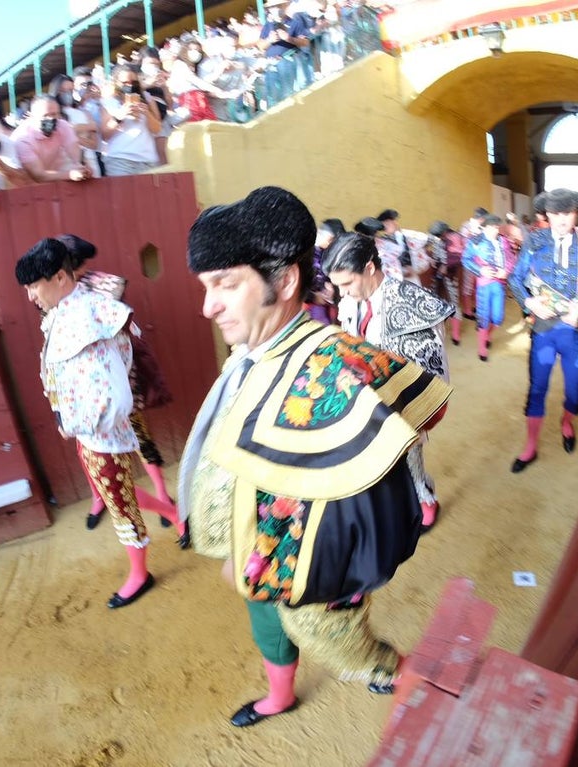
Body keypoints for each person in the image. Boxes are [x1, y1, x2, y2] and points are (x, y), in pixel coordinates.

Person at [178, 187, 451, 727]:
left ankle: (393, 673)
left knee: (339, 641)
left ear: (283, 281)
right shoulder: (252, 356)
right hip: (255, 552)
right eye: (206, 287)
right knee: (265, 623)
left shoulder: (333, 362)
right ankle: (279, 695)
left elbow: (423, 412)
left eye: (225, 285)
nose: (207, 306)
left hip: (308, 570)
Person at [15, 238, 181, 609]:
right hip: (86, 429)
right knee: (113, 492)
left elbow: (116, 397)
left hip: (99, 431)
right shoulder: (65, 310)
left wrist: (78, 424)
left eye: (33, 285)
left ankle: (140, 574)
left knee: (119, 503)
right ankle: (172, 513)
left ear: (59, 277)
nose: (30, 296)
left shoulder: (90, 313)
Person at [54, 234, 183, 542]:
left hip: (118, 379)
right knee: (95, 446)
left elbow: (121, 332)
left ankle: (163, 497)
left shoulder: (99, 287)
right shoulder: (77, 292)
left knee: (139, 439)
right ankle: (108, 498)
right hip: (93, 388)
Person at [323, 231, 453, 530]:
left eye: (346, 284)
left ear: (369, 268)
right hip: (366, 396)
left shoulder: (410, 304)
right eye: (338, 285)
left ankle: (424, 497)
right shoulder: (352, 300)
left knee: (409, 447)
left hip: (401, 398)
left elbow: (430, 371)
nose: (342, 293)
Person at [508, 188, 578, 472]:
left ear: (576, 214)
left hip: (575, 329)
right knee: (537, 387)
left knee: (575, 392)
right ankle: (531, 446)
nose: (560, 219)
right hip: (544, 327)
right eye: (555, 213)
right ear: (546, 214)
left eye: (567, 212)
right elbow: (515, 278)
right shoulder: (534, 242)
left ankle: (567, 421)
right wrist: (530, 301)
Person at [463, 214, 515, 362]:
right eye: (492, 227)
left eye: (497, 227)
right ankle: (482, 347)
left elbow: (511, 258)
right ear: (484, 227)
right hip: (484, 283)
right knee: (483, 316)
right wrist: (480, 270)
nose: (495, 230)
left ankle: (487, 335)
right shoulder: (475, 241)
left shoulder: (503, 240)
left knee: (498, 318)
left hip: (499, 282)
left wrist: (507, 271)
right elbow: (465, 259)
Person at [99, 65, 163, 177]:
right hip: (120, 159)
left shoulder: (147, 98)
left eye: (133, 82)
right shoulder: (109, 102)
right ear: (117, 83)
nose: (130, 85)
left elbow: (157, 129)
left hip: (147, 160)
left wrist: (146, 112)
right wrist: (120, 116)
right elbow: (105, 135)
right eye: (125, 83)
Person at [12, 95, 90, 183]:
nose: (50, 119)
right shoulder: (23, 139)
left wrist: (81, 167)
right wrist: (70, 174)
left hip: (54, 175)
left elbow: (74, 150)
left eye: (54, 114)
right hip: (26, 183)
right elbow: (38, 175)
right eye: (45, 115)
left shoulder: (62, 125)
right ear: (31, 116)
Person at [426, 221, 465, 346]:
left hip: (450, 275)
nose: (436, 238)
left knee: (453, 303)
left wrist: (446, 265)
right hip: (437, 274)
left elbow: (459, 255)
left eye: (438, 236)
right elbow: (425, 244)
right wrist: (431, 258)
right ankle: (437, 331)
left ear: (443, 232)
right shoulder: (436, 236)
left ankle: (455, 334)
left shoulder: (454, 237)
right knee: (435, 301)